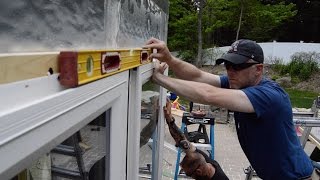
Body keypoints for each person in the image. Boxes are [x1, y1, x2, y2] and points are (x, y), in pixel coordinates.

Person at [144, 38, 317, 179]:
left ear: (258, 69)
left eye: (238, 66)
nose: (230, 71)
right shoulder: (239, 83)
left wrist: (160, 79)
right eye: (227, 66)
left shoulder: (268, 96)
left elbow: (209, 95)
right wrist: (169, 59)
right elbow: (198, 76)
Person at [163, 98, 228, 180]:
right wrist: (169, 118)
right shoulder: (203, 161)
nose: (191, 177)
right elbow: (181, 140)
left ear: (198, 172)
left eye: (189, 175)